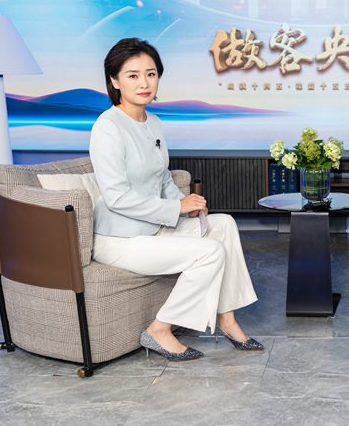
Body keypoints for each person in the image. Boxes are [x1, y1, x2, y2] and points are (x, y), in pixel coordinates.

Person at [90, 37, 261, 361]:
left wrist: (187, 207)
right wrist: (175, 207)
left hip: (153, 228)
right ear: (114, 80)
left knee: (224, 224)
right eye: (133, 75)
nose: (144, 83)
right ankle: (159, 329)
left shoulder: (152, 122)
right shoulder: (107, 127)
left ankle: (226, 317)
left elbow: (163, 176)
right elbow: (116, 197)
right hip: (120, 239)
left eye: (151, 74)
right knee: (211, 252)